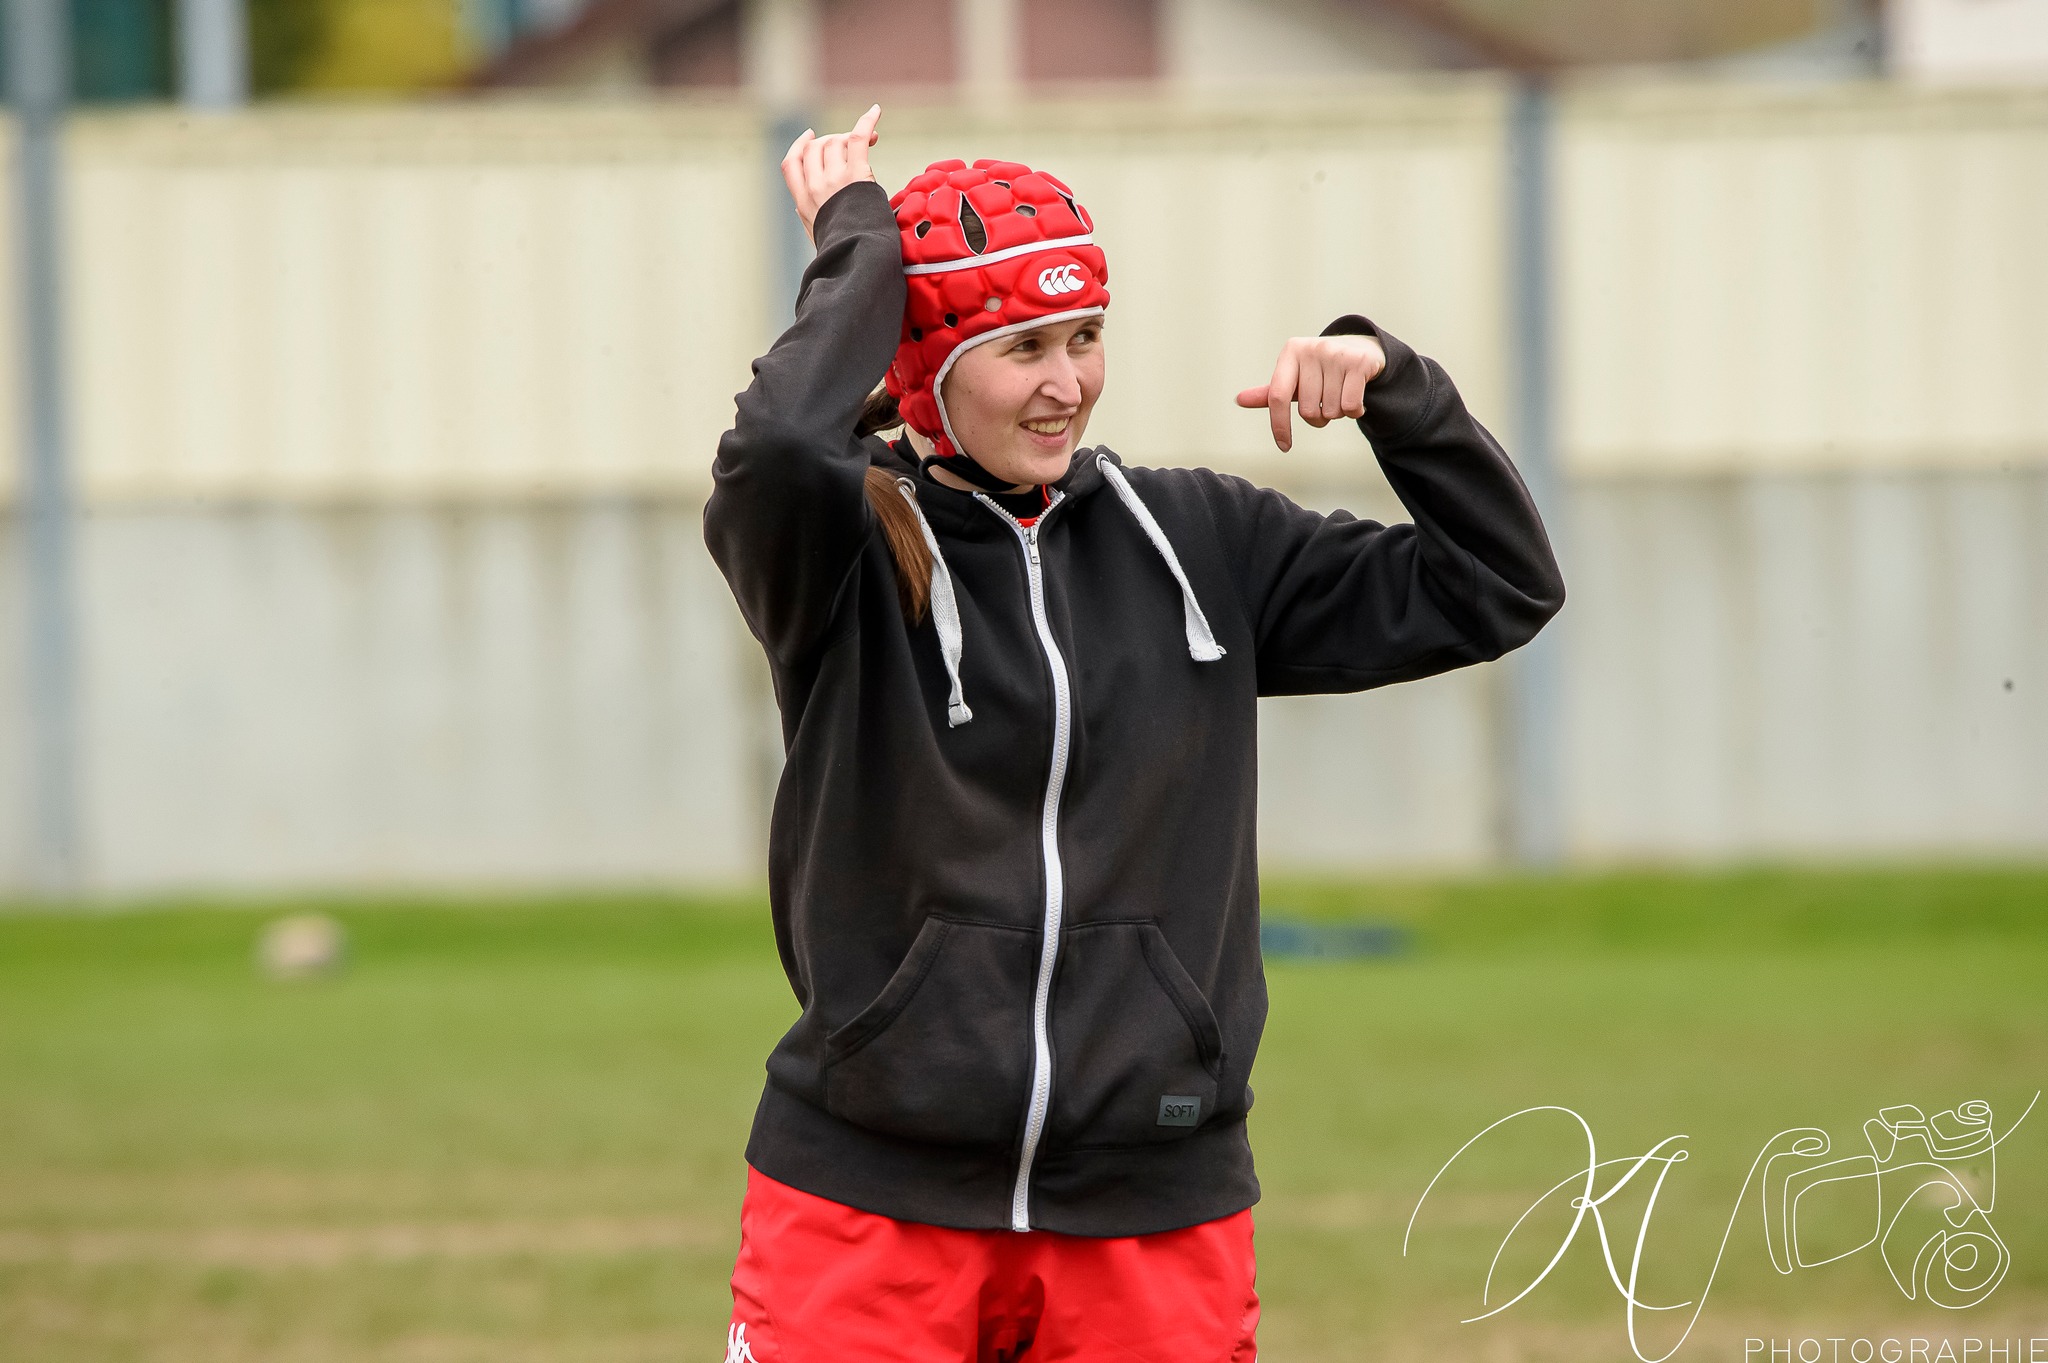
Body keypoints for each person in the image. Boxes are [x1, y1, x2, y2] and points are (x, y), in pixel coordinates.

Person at [703, 103, 1565, 1363]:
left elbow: (1497, 588)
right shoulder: (837, 553)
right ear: (920, 366)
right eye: (1021, 347)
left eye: (1086, 338)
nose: (1068, 385)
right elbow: (779, 440)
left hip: (1153, 1219)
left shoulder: (1199, 541)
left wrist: (1403, 400)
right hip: (864, 1202)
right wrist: (861, 246)